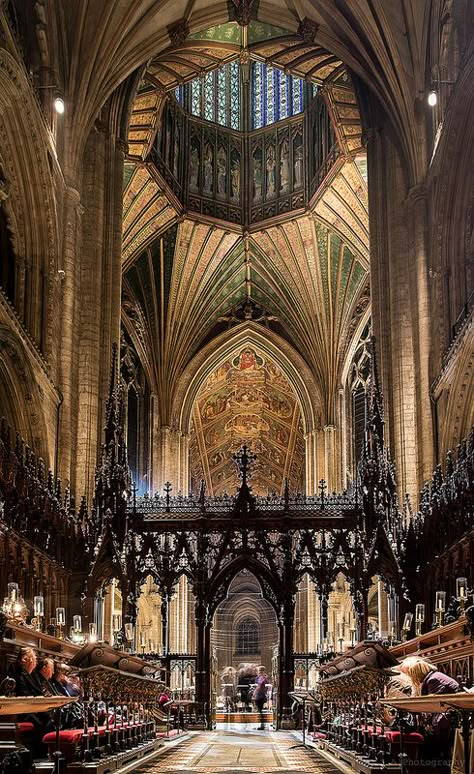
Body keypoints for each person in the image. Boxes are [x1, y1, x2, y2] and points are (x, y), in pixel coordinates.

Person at [400, 656, 460, 759]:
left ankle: (438, 760)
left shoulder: (433, 679)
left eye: (411, 676)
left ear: (416, 674)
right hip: (447, 710)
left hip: (451, 713)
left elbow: (432, 705)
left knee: (433, 730)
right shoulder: (432, 677)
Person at [253, 665, 268, 730]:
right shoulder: (262, 677)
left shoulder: (262, 678)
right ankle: (262, 724)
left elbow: (259, 686)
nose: (258, 672)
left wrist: (254, 693)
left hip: (260, 695)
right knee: (260, 710)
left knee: (260, 710)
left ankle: (262, 725)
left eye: (259, 670)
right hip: (261, 695)